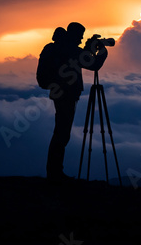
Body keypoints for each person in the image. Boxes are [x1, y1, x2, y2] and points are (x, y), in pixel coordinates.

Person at [42, 22, 108, 182]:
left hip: (60, 95)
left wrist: (88, 47)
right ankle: (55, 174)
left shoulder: (62, 49)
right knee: (62, 134)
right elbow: (93, 64)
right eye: (80, 36)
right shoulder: (70, 50)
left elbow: (80, 58)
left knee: (60, 132)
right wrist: (102, 52)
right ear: (73, 35)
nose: (81, 39)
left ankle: (54, 172)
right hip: (67, 96)